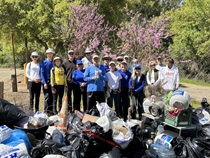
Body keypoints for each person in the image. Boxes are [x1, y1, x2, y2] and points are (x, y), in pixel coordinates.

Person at [41, 48, 55, 113]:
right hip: (46, 82)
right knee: (47, 97)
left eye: (51, 53)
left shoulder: (54, 62)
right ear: (46, 54)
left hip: (53, 83)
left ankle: (51, 111)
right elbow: (42, 73)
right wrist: (44, 83)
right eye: (48, 54)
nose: (49, 55)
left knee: (53, 97)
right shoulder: (44, 63)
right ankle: (46, 111)